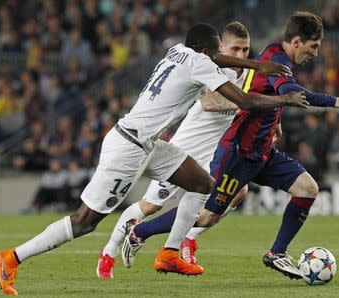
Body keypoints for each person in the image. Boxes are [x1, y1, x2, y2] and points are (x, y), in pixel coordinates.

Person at [0, 23, 308, 296]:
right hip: (129, 147)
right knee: (84, 222)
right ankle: (12, 258)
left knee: (201, 183)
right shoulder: (201, 62)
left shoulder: (177, 49)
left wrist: (257, 66)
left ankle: (170, 252)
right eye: (215, 53)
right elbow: (244, 101)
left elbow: (215, 56)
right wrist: (285, 99)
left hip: (147, 142)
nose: (218, 59)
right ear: (206, 51)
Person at [137, 12, 339, 278]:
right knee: (206, 215)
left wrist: (275, 123)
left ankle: (277, 253)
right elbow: (292, 95)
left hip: (262, 152)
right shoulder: (276, 60)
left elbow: (270, 96)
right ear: (297, 41)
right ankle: (139, 232)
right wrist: (336, 100)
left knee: (308, 188)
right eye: (313, 47)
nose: (315, 53)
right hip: (239, 153)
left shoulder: (280, 56)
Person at [97, 21, 258, 279]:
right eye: (235, 50)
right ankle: (109, 251)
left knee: (238, 191)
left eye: (245, 50)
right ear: (220, 49)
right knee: (149, 206)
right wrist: (247, 106)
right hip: (185, 149)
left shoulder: (250, 76)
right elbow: (208, 101)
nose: (240, 56)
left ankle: (187, 240)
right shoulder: (209, 67)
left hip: (214, 154)